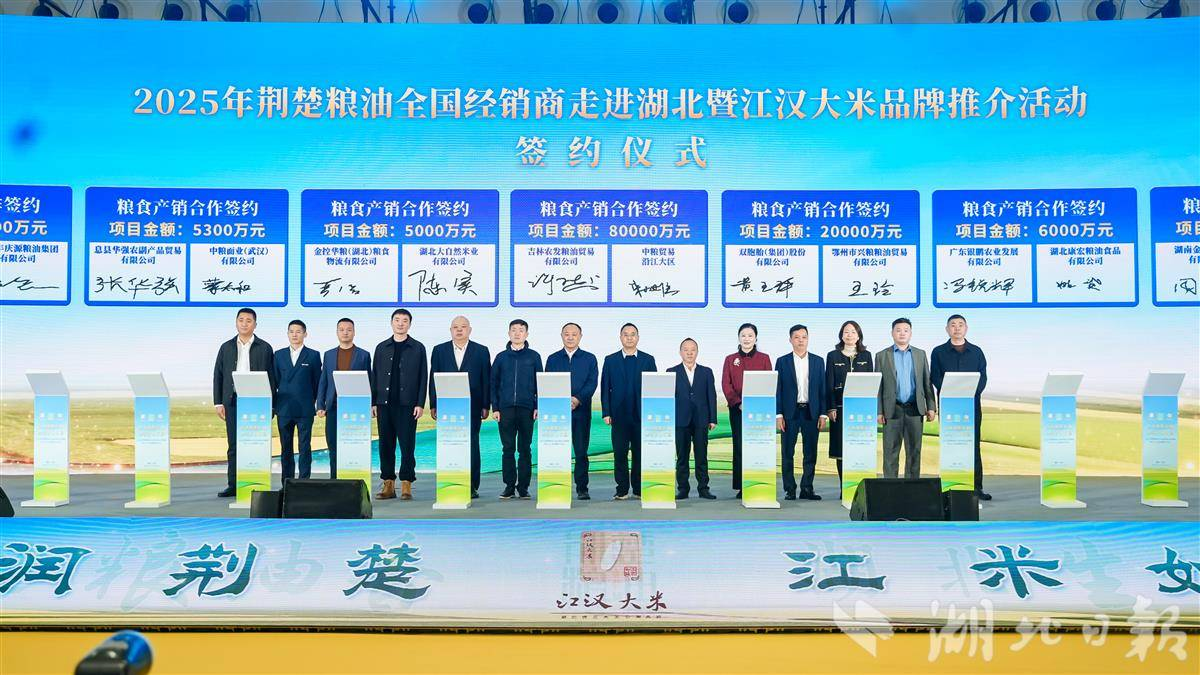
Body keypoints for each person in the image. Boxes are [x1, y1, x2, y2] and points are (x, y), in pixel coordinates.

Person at [212, 308, 276, 498]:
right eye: (241, 320)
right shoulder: (226, 347)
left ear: (255, 324)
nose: (244, 323)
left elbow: (272, 378)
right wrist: (218, 402)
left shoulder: (265, 347)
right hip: (232, 401)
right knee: (234, 444)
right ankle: (233, 484)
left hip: (257, 403)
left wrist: (271, 405)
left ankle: (256, 483)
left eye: (249, 320)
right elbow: (218, 375)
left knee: (256, 444)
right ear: (236, 322)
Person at [428, 316, 492, 499]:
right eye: (455, 327)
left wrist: (485, 404)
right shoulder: (439, 350)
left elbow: (486, 379)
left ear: (469, 330)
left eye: (463, 327)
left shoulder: (481, 351)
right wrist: (434, 403)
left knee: (472, 444)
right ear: (450, 330)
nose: (459, 330)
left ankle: (471, 485)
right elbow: (433, 377)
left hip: (473, 405)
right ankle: (450, 481)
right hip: (447, 406)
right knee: (449, 444)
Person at [930, 314, 990, 500]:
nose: (957, 328)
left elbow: (983, 377)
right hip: (949, 407)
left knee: (973, 446)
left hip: (971, 407)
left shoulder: (977, 352)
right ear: (947, 329)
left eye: (960, 325)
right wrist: (951, 393)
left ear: (966, 328)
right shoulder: (938, 352)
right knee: (950, 446)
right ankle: (949, 488)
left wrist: (969, 393)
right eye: (953, 325)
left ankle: (976, 488)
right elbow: (935, 377)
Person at [371, 309, 427, 501]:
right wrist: (374, 402)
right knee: (385, 445)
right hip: (384, 404)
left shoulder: (418, 348)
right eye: (397, 320)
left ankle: (406, 484)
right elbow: (375, 375)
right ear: (391, 322)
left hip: (408, 405)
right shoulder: (381, 347)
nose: (400, 323)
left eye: (404, 320)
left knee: (407, 445)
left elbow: (423, 377)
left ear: (409, 324)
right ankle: (388, 484)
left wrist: (420, 403)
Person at [600, 323, 657, 500]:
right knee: (620, 453)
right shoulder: (610, 360)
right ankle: (622, 489)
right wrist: (606, 412)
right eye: (626, 334)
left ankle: (639, 489)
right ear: (621, 337)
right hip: (618, 416)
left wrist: (652, 413)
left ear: (638, 337)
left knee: (640, 454)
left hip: (641, 416)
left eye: (633, 334)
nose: (629, 337)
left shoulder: (648, 360)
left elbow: (654, 388)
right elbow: (605, 387)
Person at [875, 318, 937, 480]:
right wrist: (879, 411)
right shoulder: (882, 356)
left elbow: (927, 382)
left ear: (910, 333)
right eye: (898, 330)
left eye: (905, 330)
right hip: (891, 410)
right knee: (890, 452)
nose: (902, 333)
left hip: (915, 409)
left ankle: (912, 488)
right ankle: (890, 488)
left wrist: (931, 407)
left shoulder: (920, 354)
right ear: (892, 333)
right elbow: (878, 387)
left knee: (914, 451)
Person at [545, 322, 599, 500]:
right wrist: (561, 401)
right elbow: (548, 383)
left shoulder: (589, 358)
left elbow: (592, 383)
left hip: (581, 412)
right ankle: (556, 487)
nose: (570, 337)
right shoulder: (553, 359)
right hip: (557, 413)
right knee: (557, 451)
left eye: (574, 334)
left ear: (580, 336)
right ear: (561, 336)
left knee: (581, 452)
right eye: (566, 334)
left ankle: (582, 488)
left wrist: (577, 399)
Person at [490, 319, 542, 499]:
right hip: (505, 410)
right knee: (508, 449)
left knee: (525, 449)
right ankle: (509, 486)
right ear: (509, 333)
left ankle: (524, 487)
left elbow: (540, 384)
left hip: (527, 409)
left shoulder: (534, 357)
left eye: (521, 330)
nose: (517, 333)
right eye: (514, 330)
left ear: (526, 334)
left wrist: (537, 406)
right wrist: (495, 407)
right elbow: (493, 383)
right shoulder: (501, 357)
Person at [775, 324, 827, 501]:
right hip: (790, 413)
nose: (800, 340)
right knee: (787, 453)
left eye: (804, 337)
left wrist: (823, 414)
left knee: (810, 452)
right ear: (790, 340)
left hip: (811, 412)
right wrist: (779, 414)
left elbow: (822, 389)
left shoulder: (818, 361)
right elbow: (778, 389)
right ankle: (789, 489)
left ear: (808, 339)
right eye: (796, 337)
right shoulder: (782, 361)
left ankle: (807, 488)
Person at [316, 318, 372, 479]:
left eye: (349, 329)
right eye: (341, 329)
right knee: (333, 446)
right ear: (337, 332)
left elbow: (370, 381)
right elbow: (323, 381)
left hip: (356, 409)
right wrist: (320, 405)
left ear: (354, 332)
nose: (345, 332)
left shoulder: (364, 355)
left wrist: (371, 404)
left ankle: (355, 481)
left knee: (354, 446)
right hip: (333, 407)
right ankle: (334, 480)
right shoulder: (329, 355)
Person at [721, 323, 772, 499]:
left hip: (759, 412)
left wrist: (757, 404)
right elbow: (726, 384)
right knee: (740, 447)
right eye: (743, 335)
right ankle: (742, 485)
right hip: (738, 410)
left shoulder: (764, 358)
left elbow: (769, 382)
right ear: (739, 338)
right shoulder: (730, 359)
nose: (747, 338)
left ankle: (759, 483)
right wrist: (738, 403)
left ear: (756, 338)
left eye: (750, 335)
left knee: (758, 447)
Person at [824, 320, 873, 494]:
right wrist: (831, 408)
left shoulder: (866, 356)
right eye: (846, 331)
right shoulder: (832, 356)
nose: (849, 335)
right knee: (841, 450)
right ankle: (844, 487)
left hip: (861, 411)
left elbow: (871, 383)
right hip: (839, 410)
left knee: (859, 448)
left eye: (853, 332)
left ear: (858, 336)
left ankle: (859, 489)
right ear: (841, 335)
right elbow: (828, 383)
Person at [668, 338, 717, 500]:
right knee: (682, 456)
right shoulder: (671, 372)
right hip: (680, 420)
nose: (689, 353)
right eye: (686, 349)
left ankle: (703, 488)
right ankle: (683, 489)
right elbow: (668, 398)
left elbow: (712, 396)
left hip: (701, 419)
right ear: (680, 352)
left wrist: (713, 418)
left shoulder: (706, 372)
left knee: (701, 456)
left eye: (693, 349)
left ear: (697, 352)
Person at [273, 320, 321, 481]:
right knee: (285, 447)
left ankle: (304, 482)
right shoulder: (278, 355)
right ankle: (287, 482)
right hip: (284, 409)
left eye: (298, 331)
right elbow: (275, 381)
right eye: (291, 331)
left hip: (305, 409)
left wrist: (314, 402)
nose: (294, 335)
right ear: (287, 334)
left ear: (305, 334)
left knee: (305, 447)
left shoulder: (313, 355)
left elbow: (317, 382)